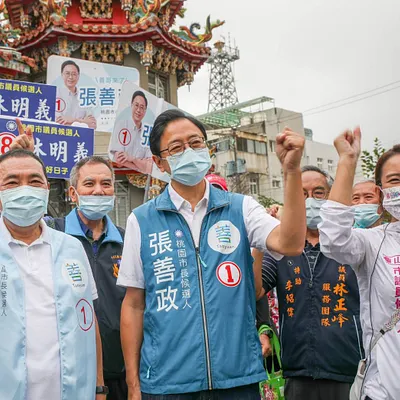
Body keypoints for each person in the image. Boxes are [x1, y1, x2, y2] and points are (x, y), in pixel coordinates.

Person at [118, 109, 306, 399]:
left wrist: (291, 172)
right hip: (168, 383)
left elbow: (291, 243)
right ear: (159, 162)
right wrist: (133, 385)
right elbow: (133, 305)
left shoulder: (241, 208)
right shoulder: (141, 220)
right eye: (176, 148)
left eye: (196, 143)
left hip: (236, 380)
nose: (189, 152)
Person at [10, 123, 127, 400]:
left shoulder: (128, 239)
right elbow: (15, 221)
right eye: (89, 184)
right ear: (73, 194)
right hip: (68, 375)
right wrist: (22, 161)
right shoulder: (53, 233)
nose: (98, 191)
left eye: (106, 184)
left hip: (121, 372)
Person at [0, 149, 106, 399]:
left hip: (73, 391)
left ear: (47, 188)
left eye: (34, 181)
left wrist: (99, 386)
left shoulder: (71, 247)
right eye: (12, 182)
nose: (25, 190)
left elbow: (87, 321)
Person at [254, 165, 363, 400]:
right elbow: (256, 290)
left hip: (348, 370)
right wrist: (260, 241)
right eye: (302, 194)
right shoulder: (280, 250)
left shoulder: (353, 245)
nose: (310, 200)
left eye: (318, 193)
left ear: (331, 196)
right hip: (298, 370)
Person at [319, 129, 400, 400]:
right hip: (385, 391)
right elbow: (333, 239)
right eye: (395, 180)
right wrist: (347, 161)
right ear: (381, 192)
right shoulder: (372, 242)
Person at [108, 90, 153, 174]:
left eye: (142, 107)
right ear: (131, 105)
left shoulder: (147, 134)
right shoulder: (121, 126)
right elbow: (119, 161)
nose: (138, 110)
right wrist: (140, 165)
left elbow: (149, 167)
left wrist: (132, 159)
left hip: (142, 178)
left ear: (145, 111)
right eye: (136, 105)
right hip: (120, 175)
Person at [56, 60, 97, 129]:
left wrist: (73, 120)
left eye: (74, 74)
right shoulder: (55, 94)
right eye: (67, 73)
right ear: (62, 75)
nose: (70, 77)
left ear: (78, 76)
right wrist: (83, 122)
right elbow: (57, 122)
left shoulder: (84, 97)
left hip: (79, 135)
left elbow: (93, 125)